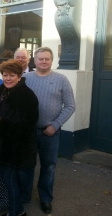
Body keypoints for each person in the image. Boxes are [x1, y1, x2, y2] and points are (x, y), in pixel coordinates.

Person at [20, 47, 75, 214]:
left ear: (52, 61)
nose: (44, 61)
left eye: (47, 59)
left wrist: (55, 125)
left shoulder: (61, 80)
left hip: (50, 133)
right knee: (26, 165)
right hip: (28, 132)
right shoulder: (25, 78)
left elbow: (70, 106)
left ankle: (45, 198)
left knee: (48, 166)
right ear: (34, 61)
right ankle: (24, 196)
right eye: (40, 59)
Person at [0, 59, 39, 216]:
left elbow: (28, 124)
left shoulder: (27, 96)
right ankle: (17, 211)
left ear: (19, 76)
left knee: (10, 180)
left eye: (12, 75)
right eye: (5, 75)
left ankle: (17, 212)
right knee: (8, 179)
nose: (8, 78)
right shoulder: (2, 91)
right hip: (3, 146)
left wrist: (2, 122)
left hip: (16, 148)